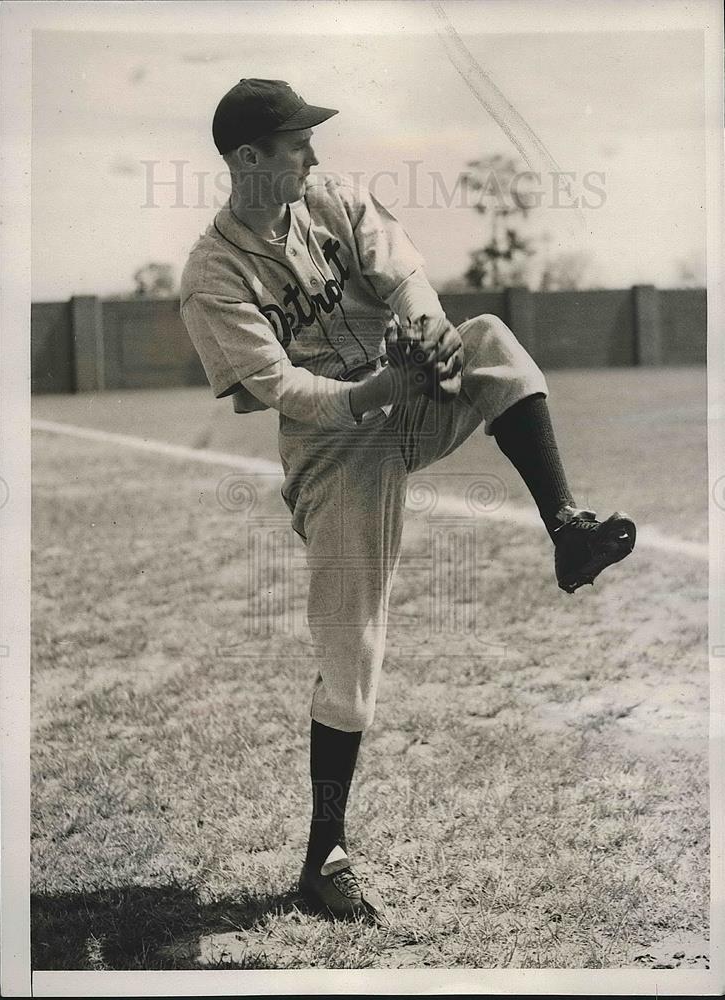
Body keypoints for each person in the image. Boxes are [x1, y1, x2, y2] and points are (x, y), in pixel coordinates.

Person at [180, 78, 636, 925]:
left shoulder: (329, 197)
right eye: (294, 144)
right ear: (247, 159)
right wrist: (388, 383)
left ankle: (567, 529)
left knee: (489, 339)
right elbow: (284, 389)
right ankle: (325, 856)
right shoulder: (212, 273)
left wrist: (426, 333)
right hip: (333, 444)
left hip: (408, 396)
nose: (312, 153)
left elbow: (406, 277)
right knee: (352, 646)